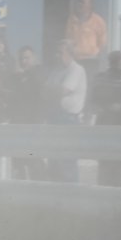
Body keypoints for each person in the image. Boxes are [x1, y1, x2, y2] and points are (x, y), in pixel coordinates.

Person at [92, 51, 121, 186]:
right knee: (106, 160)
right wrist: (97, 107)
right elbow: (92, 100)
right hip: (106, 127)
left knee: (120, 161)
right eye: (119, 62)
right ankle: (106, 189)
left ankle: (119, 189)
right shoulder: (100, 80)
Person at [44, 39, 87, 182]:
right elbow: (44, 90)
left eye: (60, 52)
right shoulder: (56, 70)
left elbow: (63, 90)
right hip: (54, 117)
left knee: (67, 161)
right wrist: (54, 91)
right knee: (53, 161)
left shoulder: (76, 69)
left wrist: (53, 90)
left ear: (70, 53)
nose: (57, 55)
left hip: (69, 119)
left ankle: (71, 193)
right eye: (56, 52)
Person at [8, 46, 46, 180]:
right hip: (17, 124)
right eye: (21, 59)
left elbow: (40, 100)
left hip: (33, 125)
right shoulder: (16, 77)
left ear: (34, 58)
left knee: (34, 162)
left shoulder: (39, 75)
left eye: (27, 58)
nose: (23, 61)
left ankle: (39, 189)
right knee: (18, 162)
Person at [65, 0, 108, 79]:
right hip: (75, 59)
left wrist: (96, 53)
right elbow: (68, 38)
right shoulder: (72, 19)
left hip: (91, 60)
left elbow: (102, 42)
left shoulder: (98, 21)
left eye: (82, 2)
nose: (79, 4)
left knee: (89, 81)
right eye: (79, 2)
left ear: (90, 5)